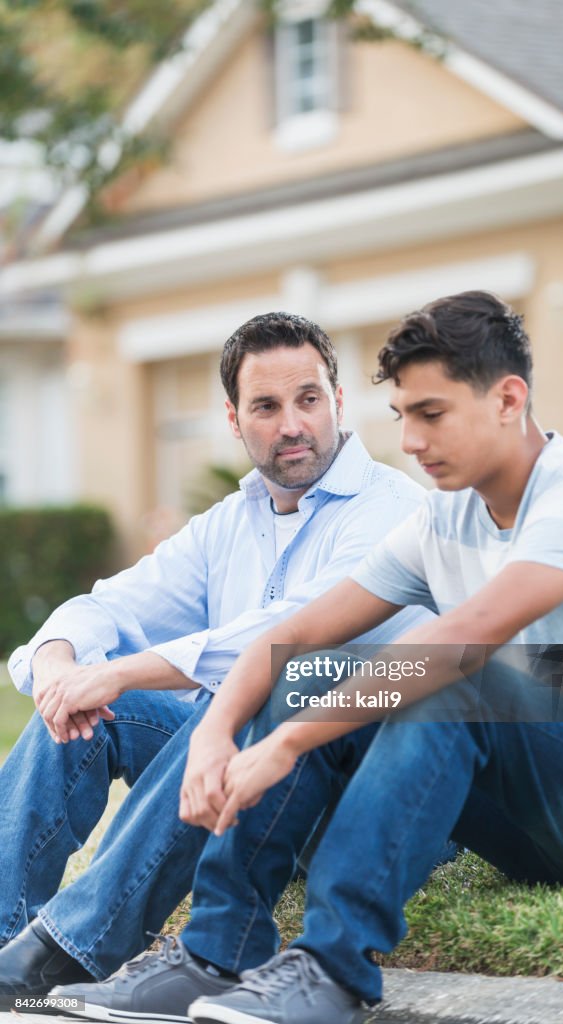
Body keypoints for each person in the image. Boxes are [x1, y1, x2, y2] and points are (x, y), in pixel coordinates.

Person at [57, 289, 563, 1024]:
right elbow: (300, 636)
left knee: (447, 676)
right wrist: (217, 731)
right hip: (535, 806)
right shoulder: (442, 519)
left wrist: (285, 744)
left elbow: (457, 643)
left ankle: (330, 969)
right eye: (401, 417)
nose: (410, 442)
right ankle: (214, 955)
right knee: (309, 673)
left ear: (508, 399)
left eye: (431, 414)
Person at [0, 311, 431, 1002]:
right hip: (236, 779)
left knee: (247, 692)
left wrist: (117, 670)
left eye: (308, 399)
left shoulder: (393, 510)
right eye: (265, 406)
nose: (291, 423)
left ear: (338, 402)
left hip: (337, 779)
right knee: (93, 711)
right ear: (234, 420)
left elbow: (288, 633)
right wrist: (56, 666)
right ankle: (5, 950)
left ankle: (70, 950)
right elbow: (108, 607)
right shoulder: (229, 524)